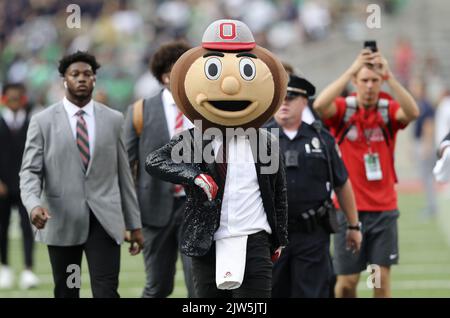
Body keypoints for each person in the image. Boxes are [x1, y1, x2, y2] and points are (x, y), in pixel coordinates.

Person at [145, 19, 288, 298]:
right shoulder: (197, 138)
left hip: (254, 236)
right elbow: (155, 160)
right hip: (207, 238)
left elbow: (278, 192)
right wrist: (194, 176)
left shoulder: (265, 141)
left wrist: (279, 237)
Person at [19, 51, 144, 298]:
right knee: (67, 292)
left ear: (95, 79)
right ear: (64, 80)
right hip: (62, 220)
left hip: (105, 222)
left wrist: (134, 224)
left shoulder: (113, 119)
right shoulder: (42, 121)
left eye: (87, 74)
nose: (81, 79)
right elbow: (30, 171)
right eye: (74, 74)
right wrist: (33, 205)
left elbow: (124, 176)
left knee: (107, 291)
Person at [313, 48, 419, 298]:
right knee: (348, 282)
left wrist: (389, 76)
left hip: (383, 211)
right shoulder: (343, 110)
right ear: (355, 82)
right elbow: (319, 105)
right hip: (348, 212)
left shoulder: (387, 110)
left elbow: (413, 112)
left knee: (379, 281)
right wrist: (351, 68)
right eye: (364, 80)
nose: (370, 86)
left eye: (374, 80)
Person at [267, 74, 361, 298]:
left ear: (304, 101)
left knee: (311, 294)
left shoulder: (322, 139)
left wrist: (354, 226)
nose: (284, 103)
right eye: (279, 97)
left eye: (290, 97)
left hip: (312, 234)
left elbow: (342, 183)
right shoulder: (258, 138)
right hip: (270, 237)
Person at [124, 41, 196, 298]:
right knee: (157, 286)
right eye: (181, 70)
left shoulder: (205, 108)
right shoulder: (139, 111)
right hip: (154, 209)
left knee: (198, 286)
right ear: (165, 76)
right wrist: (130, 219)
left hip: (197, 208)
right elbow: (125, 168)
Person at [0, 83, 39, 289]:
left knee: (27, 227)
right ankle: (4, 267)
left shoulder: (33, 123)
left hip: (27, 186)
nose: (15, 102)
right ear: (4, 99)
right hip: (3, 187)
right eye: (11, 98)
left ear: (23, 99)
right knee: (2, 228)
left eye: (18, 98)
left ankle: (28, 269)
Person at [410, 79, 437, 218]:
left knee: (428, 178)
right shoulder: (421, 104)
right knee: (425, 178)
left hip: (424, 144)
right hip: (420, 143)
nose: (413, 89)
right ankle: (430, 206)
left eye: (416, 86)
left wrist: (426, 146)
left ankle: (432, 207)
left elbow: (429, 126)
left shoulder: (426, 105)